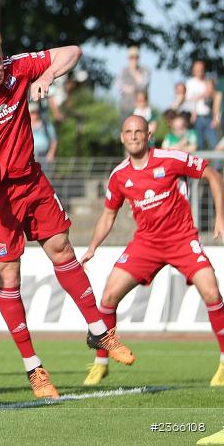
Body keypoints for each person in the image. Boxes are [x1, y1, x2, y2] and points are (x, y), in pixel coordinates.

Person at [0, 27, 133, 399]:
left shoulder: (18, 68)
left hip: (33, 181)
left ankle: (99, 331)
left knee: (62, 247)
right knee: (9, 276)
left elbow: (72, 49)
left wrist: (46, 75)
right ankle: (34, 368)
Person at [80, 115, 224, 388]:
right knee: (109, 296)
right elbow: (108, 215)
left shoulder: (170, 159)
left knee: (212, 291)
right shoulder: (119, 175)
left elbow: (212, 174)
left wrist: (220, 217)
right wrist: (92, 247)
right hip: (146, 243)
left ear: (148, 136)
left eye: (139, 131)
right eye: (128, 132)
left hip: (182, 239)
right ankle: (100, 364)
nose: (134, 136)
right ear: (122, 137)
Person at [114, 46, 151, 121]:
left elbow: (143, 85)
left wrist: (134, 72)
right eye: (131, 57)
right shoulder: (123, 71)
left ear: (138, 58)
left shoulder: (145, 70)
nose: (133, 60)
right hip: (125, 107)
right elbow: (118, 87)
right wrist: (129, 88)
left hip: (141, 108)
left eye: (135, 57)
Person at [186, 60, 216, 149]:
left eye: (202, 69)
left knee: (214, 145)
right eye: (198, 69)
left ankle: (216, 163)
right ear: (193, 70)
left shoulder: (208, 82)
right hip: (196, 118)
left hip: (208, 116)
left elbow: (213, 96)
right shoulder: (190, 83)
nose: (200, 72)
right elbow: (189, 100)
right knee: (199, 145)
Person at [29, 102, 57, 167]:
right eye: (32, 112)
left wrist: (51, 153)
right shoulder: (25, 126)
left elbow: (54, 140)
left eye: (37, 112)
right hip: (30, 157)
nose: (35, 115)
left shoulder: (46, 125)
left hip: (45, 157)